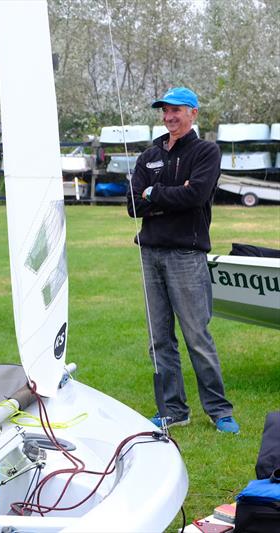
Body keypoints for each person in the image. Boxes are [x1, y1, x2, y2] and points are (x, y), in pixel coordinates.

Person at [126, 86, 238, 434]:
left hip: (186, 255)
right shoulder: (150, 154)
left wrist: (153, 194)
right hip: (150, 253)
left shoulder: (206, 151)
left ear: (193, 113)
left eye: (177, 110)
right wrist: (162, 196)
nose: (169, 116)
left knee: (196, 336)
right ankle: (173, 410)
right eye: (165, 111)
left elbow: (195, 195)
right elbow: (133, 204)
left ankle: (219, 411)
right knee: (159, 340)